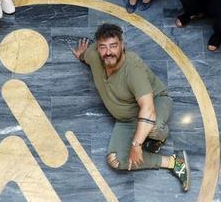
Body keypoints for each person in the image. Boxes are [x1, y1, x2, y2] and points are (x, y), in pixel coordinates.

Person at [71, 23, 190, 193]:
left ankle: (158, 136)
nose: (108, 52)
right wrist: (81, 55)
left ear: (122, 45)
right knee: (116, 160)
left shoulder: (133, 69)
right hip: (126, 119)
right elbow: (87, 55)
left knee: (153, 127)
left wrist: (136, 145)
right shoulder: (94, 55)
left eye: (113, 46)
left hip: (155, 103)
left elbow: (148, 109)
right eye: (103, 47)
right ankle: (174, 162)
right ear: (97, 48)